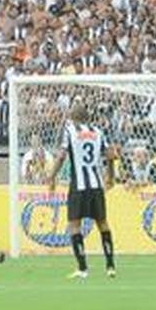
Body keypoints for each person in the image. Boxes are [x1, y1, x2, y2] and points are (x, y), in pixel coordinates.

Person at [48, 104, 116, 279]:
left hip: (79, 186)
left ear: (72, 117)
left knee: (74, 225)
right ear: (87, 118)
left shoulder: (70, 130)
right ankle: (110, 266)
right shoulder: (98, 131)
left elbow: (62, 155)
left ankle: (83, 268)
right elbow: (110, 154)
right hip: (96, 184)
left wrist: (51, 176)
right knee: (103, 223)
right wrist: (110, 176)